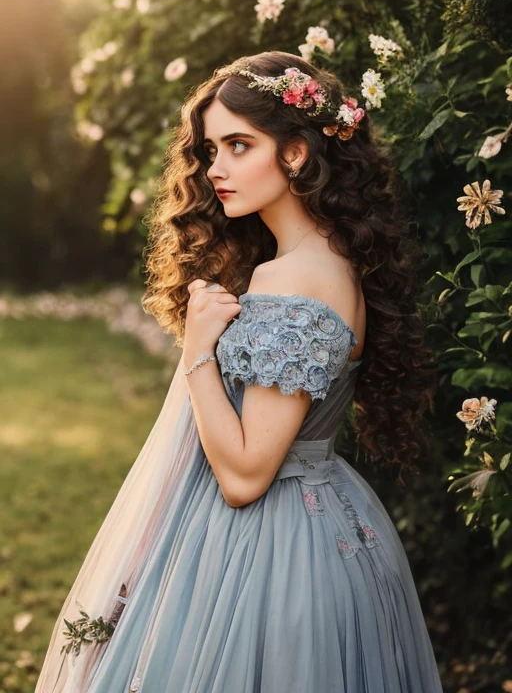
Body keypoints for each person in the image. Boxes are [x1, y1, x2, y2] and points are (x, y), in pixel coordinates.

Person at [36, 51, 444, 692]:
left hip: (276, 552)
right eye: (209, 149)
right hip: (327, 523)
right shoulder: (324, 260)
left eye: (238, 145)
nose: (216, 168)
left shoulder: (296, 279)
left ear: (297, 153)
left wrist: (199, 350)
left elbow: (247, 474)